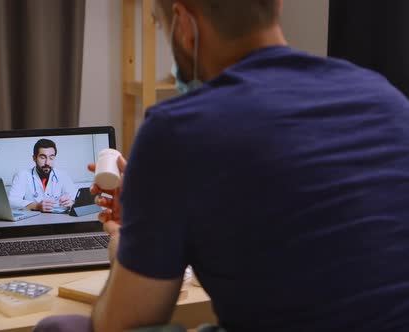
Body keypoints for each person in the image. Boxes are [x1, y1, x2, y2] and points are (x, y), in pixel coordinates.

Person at [35, 0, 409, 331]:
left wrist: (124, 241)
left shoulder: (176, 130)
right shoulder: (387, 99)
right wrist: (149, 214)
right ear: (276, 5)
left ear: (184, 23)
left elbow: (122, 324)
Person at [9, 139, 76, 212]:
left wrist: (72, 203)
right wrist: (36, 206)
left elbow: (76, 199)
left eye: (51, 158)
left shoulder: (63, 175)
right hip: (32, 220)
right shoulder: (22, 175)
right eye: (43, 157)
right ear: (34, 158)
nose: (47, 162)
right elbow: (12, 202)